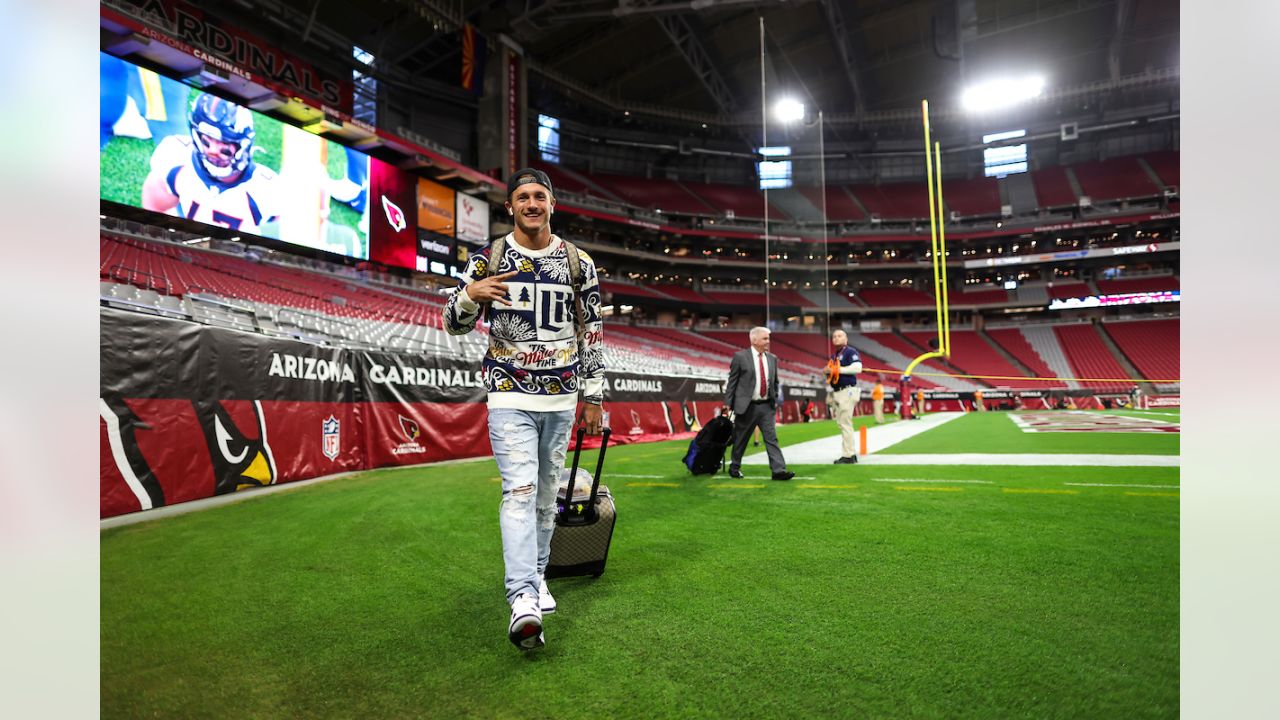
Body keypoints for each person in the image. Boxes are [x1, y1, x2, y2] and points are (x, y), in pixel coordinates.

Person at [443, 168, 605, 651]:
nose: (532, 203)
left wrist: (593, 396)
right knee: (520, 490)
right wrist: (470, 295)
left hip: (562, 396)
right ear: (510, 207)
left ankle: (537, 577)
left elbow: (592, 331)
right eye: (522, 197)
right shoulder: (488, 259)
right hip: (509, 393)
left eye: (540, 196)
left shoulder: (579, 262)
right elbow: (452, 324)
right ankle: (522, 599)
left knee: (545, 497)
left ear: (552, 204)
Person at [141, 92, 282, 234]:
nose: (213, 150)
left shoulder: (266, 190)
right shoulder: (176, 157)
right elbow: (154, 204)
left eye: (224, 144)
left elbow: (282, 239)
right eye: (207, 140)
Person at [724, 327, 794, 481]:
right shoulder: (740, 357)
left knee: (771, 438)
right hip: (746, 406)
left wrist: (773, 398)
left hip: (766, 406)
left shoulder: (772, 358)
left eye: (768, 338)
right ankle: (734, 467)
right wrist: (728, 404)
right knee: (741, 438)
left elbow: (775, 382)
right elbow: (732, 382)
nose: (768, 341)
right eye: (765, 339)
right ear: (754, 340)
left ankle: (778, 470)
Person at [825, 329, 863, 464]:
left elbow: (858, 367)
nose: (836, 338)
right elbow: (832, 372)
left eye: (839, 336)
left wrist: (837, 370)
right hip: (839, 391)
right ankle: (849, 453)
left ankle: (849, 455)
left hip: (847, 391)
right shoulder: (834, 355)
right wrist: (828, 372)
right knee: (843, 424)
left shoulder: (850, 351)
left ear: (846, 339)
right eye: (834, 336)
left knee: (845, 424)